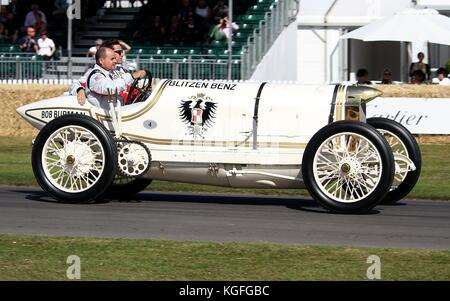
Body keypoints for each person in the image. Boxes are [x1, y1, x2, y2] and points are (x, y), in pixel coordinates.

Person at [71, 39, 147, 106]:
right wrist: (80, 90)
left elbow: (131, 88)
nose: (122, 54)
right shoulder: (95, 73)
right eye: (119, 52)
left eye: (122, 51)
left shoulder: (121, 69)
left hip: (126, 107)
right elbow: (76, 84)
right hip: (112, 111)